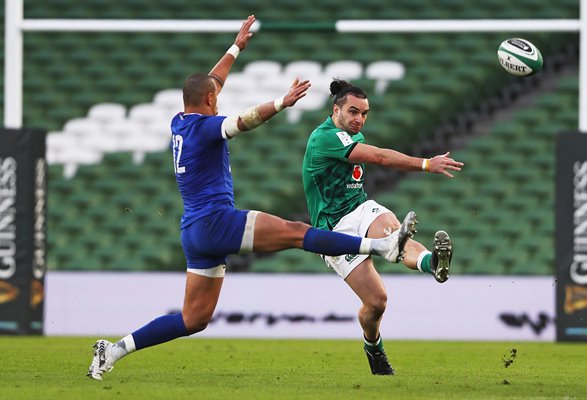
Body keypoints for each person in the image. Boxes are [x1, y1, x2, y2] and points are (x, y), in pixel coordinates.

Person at [87, 16, 414, 381]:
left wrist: (236, 47)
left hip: (194, 231)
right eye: (215, 95)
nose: (217, 95)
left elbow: (211, 84)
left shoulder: (179, 121)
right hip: (218, 221)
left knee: (193, 319)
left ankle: (114, 349)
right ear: (210, 100)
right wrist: (283, 101)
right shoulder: (208, 127)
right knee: (297, 232)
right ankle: (380, 247)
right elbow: (244, 120)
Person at [301, 78, 464, 375]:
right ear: (336, 110)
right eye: (353, 112)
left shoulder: (350, 136)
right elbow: (378, 157)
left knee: (394, 233)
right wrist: (426, 164)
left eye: (364, 113)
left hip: (362, 208)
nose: (359, 119)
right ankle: (373, 348)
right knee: (376, 303)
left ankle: (433, 262)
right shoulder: (324, 138)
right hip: (333, 230)